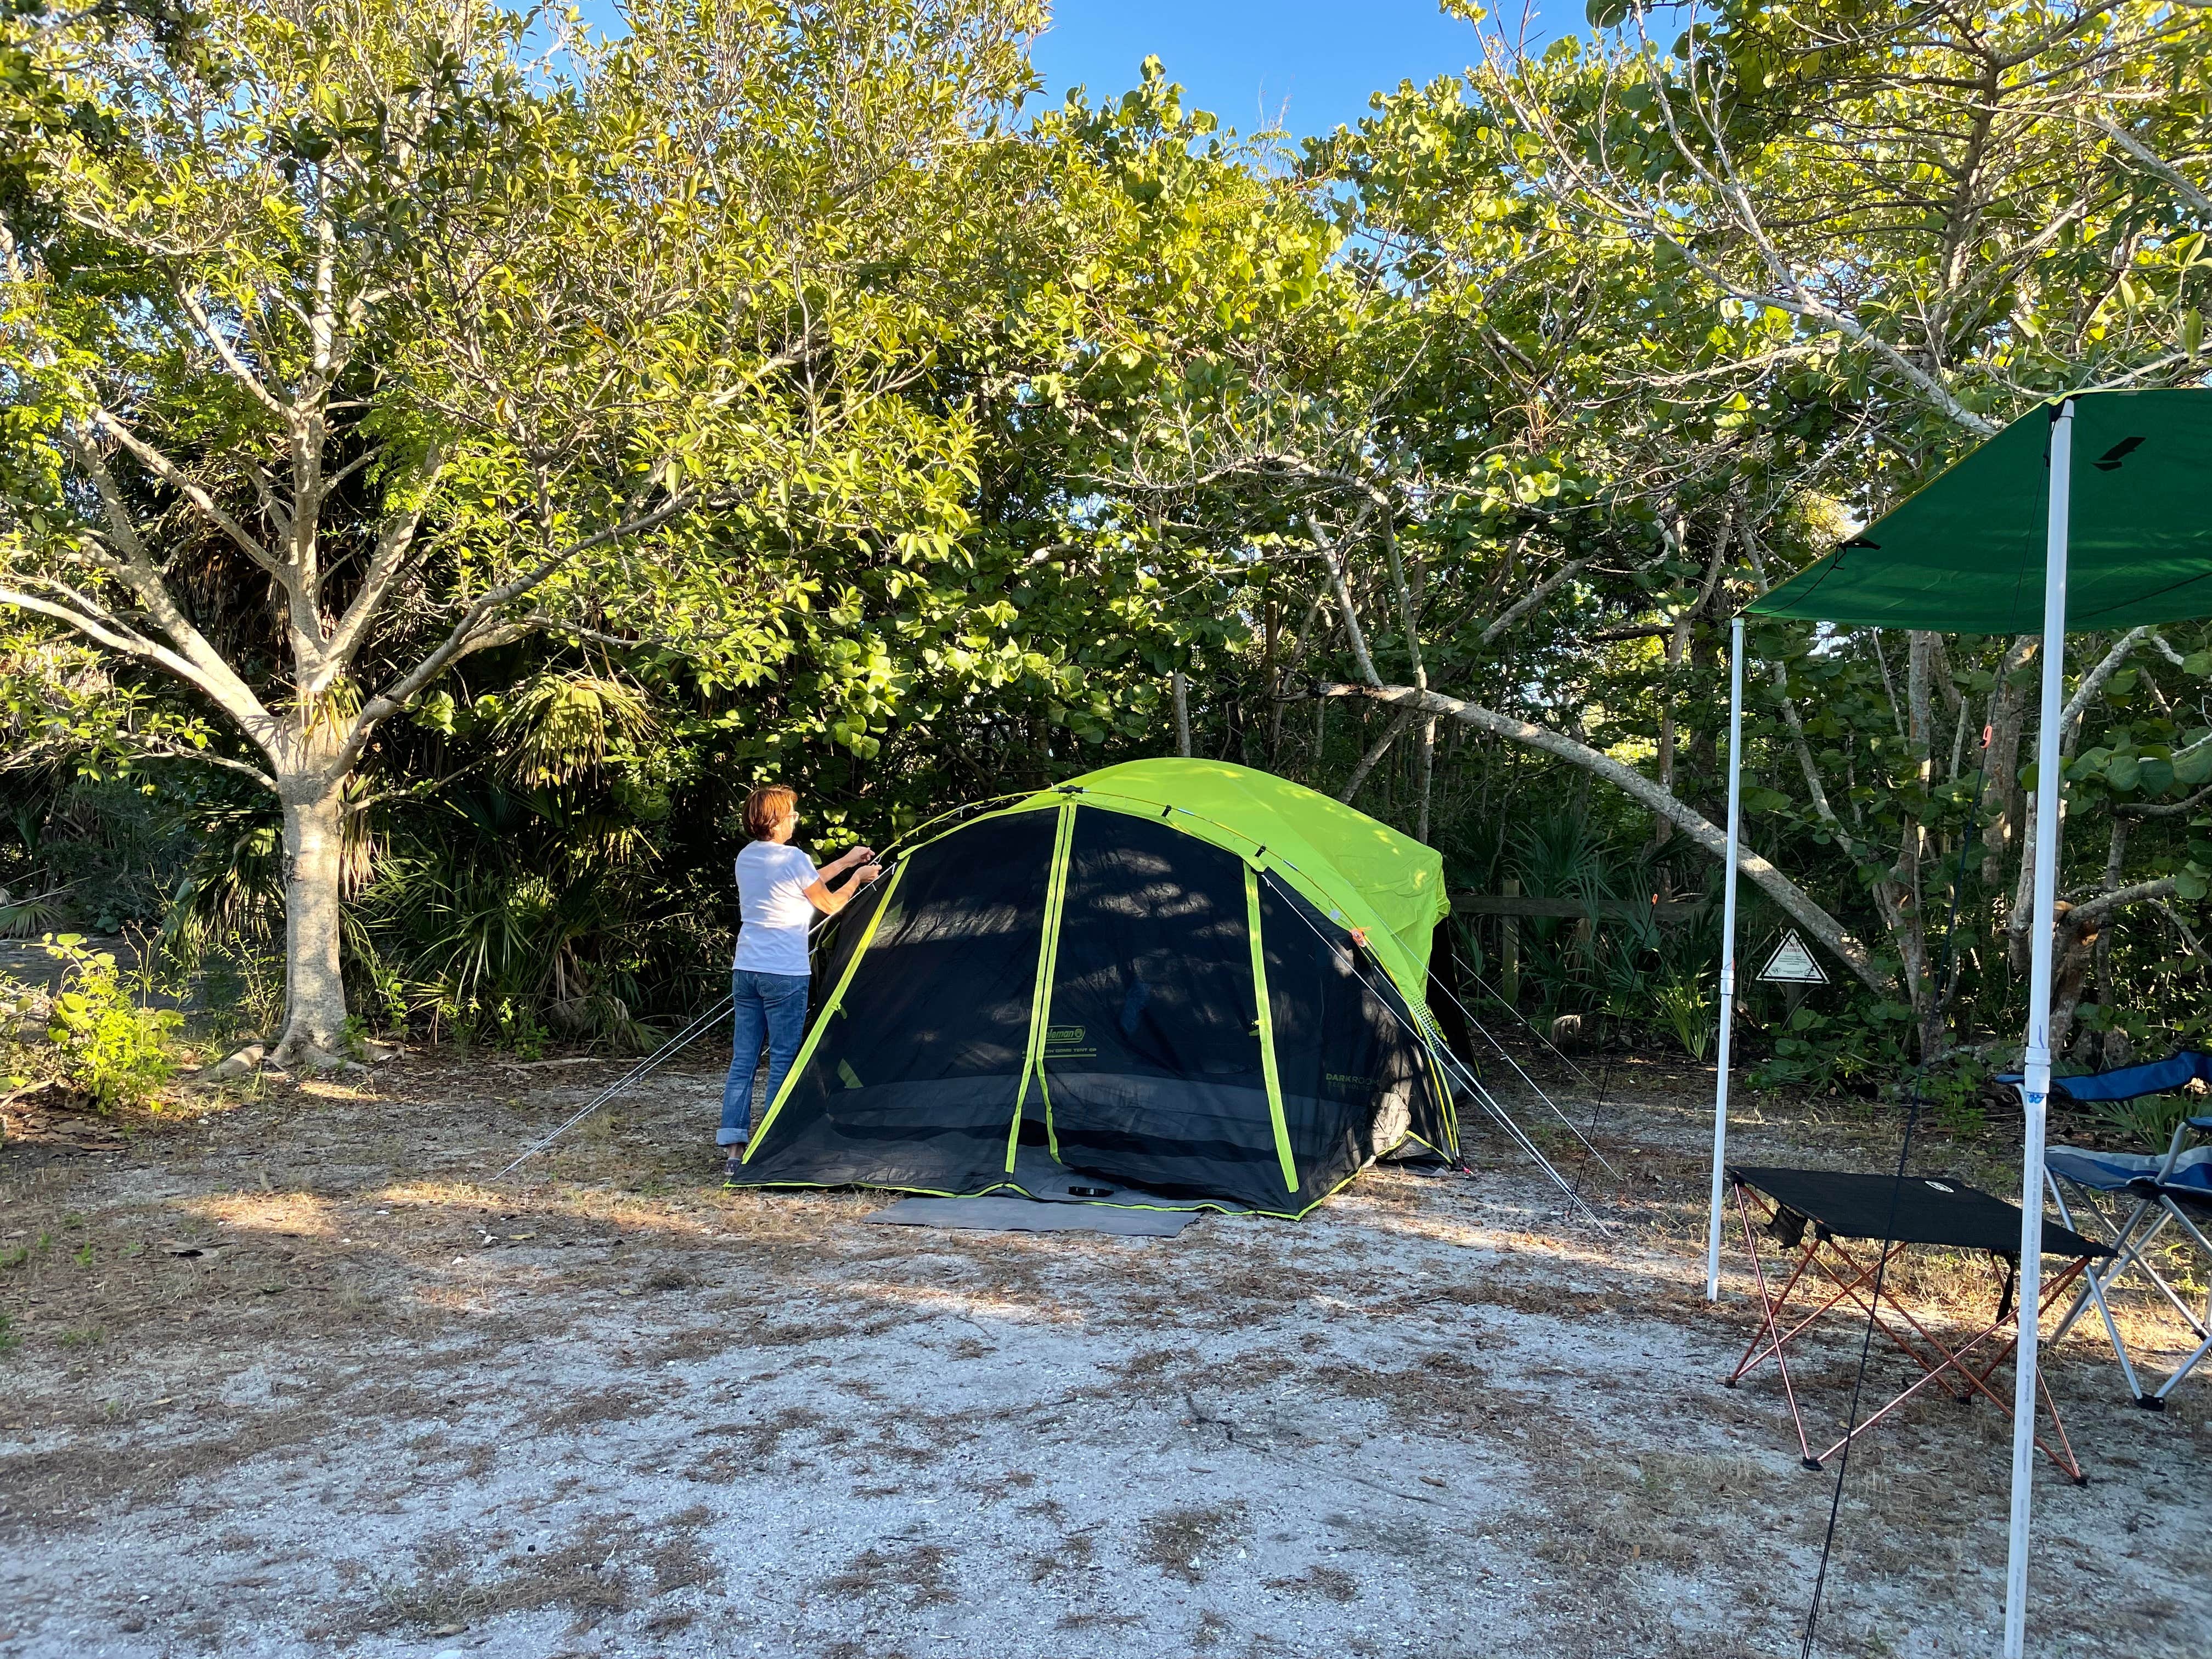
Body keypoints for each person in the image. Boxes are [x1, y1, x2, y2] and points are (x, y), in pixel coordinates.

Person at [719, 785, 879, 1172]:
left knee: (743, 1060)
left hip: (747, 969)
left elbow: (804, 883)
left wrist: (844, 863)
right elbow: (828, 903)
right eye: (790, 813)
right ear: (774, 820)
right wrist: (859, 880)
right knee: (784, 1059)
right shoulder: (792, 858)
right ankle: (775, 1144)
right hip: (784, 973)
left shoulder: (748, 857)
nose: (795, 819)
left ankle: (734, 1150)